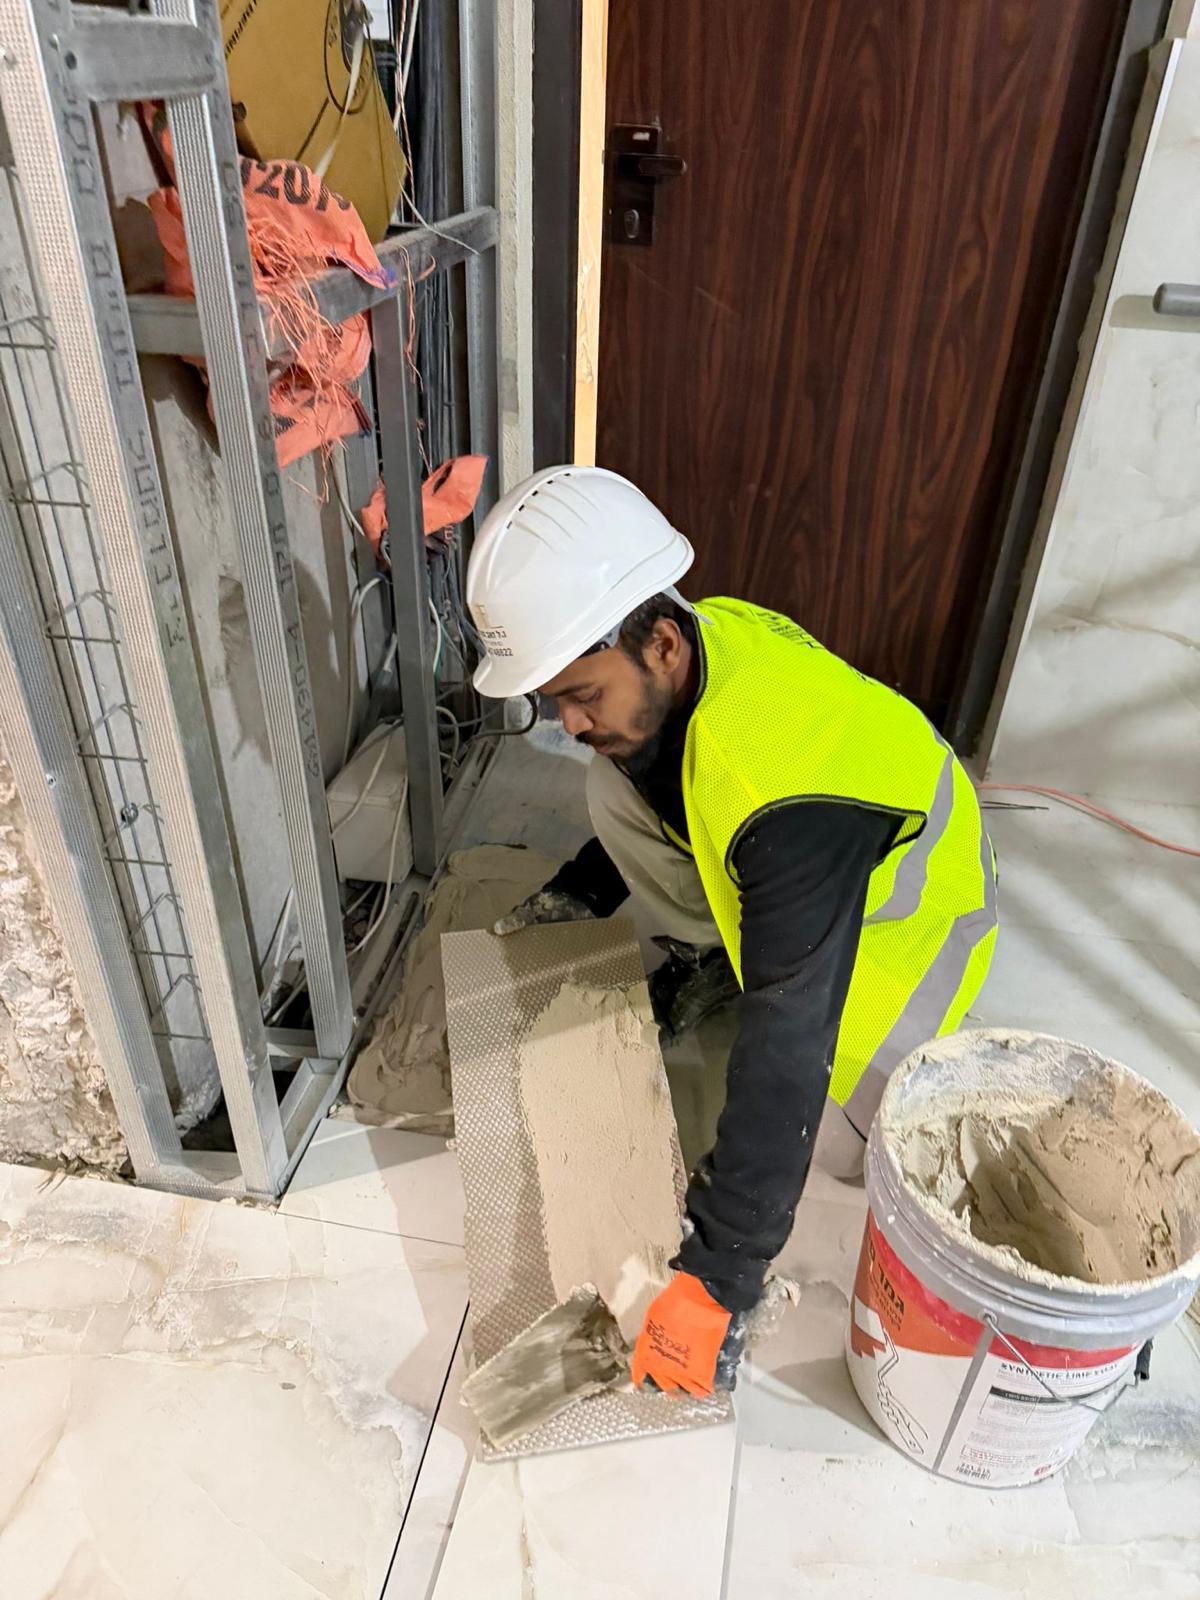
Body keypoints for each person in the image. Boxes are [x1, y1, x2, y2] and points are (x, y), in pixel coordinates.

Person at [466, 465, 997, 1399]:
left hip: (911, 925)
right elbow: (668, 781)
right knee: (610, 781)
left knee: (838, 1150)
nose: (568, 722)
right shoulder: (697, 642)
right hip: (804, 868)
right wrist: (579, 891)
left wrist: (718, 1281)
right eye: (554, 699)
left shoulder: (781, 796)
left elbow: (788, 1043)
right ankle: (728, 955)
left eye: (580, 694)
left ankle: (756, 973)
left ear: (661, 644)